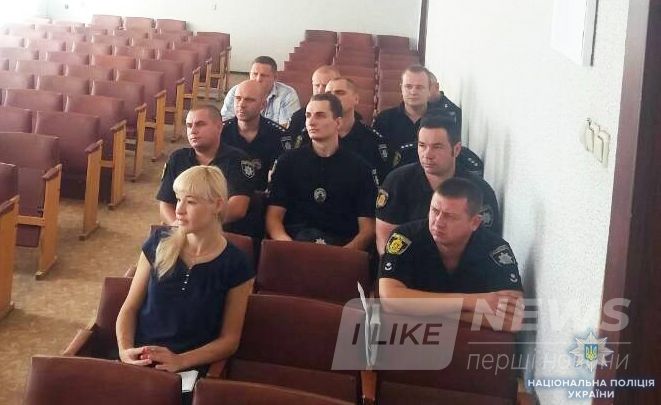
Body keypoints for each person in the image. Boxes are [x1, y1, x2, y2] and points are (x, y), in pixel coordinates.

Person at [117, 165, 255, 374]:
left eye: (190, 202)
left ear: (217, 205)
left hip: (187, 368)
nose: (179, 209)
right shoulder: (158, 243)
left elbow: (229, 340)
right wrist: (125, 351)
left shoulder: (236, 264)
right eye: (178, 199)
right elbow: (129, 308)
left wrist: (180, 361)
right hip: (139, 359)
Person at [378, 177, 523, 332]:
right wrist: (472, 302)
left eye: (450, 216)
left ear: (475, 222)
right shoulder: (405, 237)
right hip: (412, 334)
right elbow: (389, 300)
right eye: (434, 211)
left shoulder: (495, 249)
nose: (438, 222)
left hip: (469, 339)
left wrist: (425, 309)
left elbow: (513, 321)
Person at [375, 113, 500, 255]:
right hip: (408, 264)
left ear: (456, 149)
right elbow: (385, 242)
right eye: (422, 145)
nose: (427, 154)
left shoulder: (479, 190)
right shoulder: (397, 182)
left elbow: (487, 245)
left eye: (437, 147)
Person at [266, 93, 377, 250]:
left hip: (341, 248)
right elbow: (273, 218)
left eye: (320, 116)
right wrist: (289, 247)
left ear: (338, 122)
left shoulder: (360, 168)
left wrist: (342, 255)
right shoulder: (287, 162)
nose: (311, 122)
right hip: (295, 244)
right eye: (308, 115)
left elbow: (367, 229)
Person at [157, 105, 254, 228]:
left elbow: (237, 208)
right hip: (182, 229)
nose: (193, 131)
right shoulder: (178, 158)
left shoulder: (238, 159)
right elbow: (165, 204)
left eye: (200, 124)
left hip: (224, 231)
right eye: (189, 126)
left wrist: (197, 226)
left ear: (219, 127)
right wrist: (177, 226)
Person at [298, 77, 390, 184]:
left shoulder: (373, 141)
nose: (333, 97)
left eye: (340, 93)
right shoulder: (306, 137)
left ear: (356, 99)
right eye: (328, 94)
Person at [221, 80, 290, 191]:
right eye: (238, 98)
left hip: (264, 195)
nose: (241, 104)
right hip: (226, 195)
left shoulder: (279, 135)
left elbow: (283, 178)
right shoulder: (220, 132)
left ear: (263, 105)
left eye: (249, 100)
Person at [221, 56, 300, 126]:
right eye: (255, 74)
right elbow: (225, 121)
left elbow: (287, 128)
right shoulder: (236, 91)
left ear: (275, 77)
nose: (258, 79)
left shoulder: (287, 95)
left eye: (264, 75)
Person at [287, 65, 341, 137]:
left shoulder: (346, 115)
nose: (320, 91)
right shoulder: (299, 116)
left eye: (325, 86)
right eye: (317, 85)